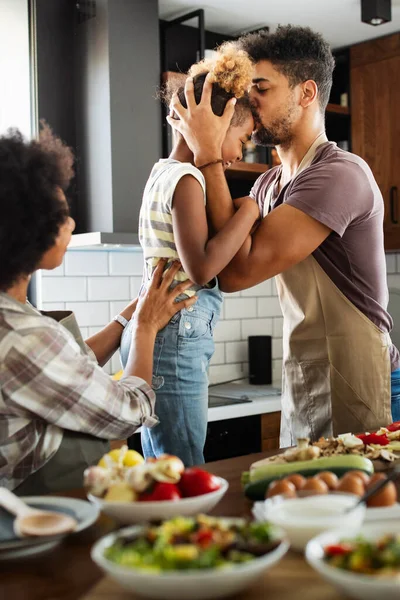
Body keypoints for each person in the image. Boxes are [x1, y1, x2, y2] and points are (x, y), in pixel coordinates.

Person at [168, 25, 399, 447]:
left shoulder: (338, 174)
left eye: (261, 88)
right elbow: (219, 261)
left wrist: (206, 155)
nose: (246, 101)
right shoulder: (268, 184)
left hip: (367, 379)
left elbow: (239, 272)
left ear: (306, 93)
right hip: (305, 375)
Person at [0, 124, 196, 495]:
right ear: (26, 227)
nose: (71, 222)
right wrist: (145, 329)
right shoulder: (25, 337)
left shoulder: (14, 315)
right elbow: (128, 411)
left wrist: (134, 311)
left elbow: (69, 368)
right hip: (36, 524)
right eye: (60, 214)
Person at [120, 44, 259, 466]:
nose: (244, 151)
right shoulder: (186, 180)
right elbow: (200, 267)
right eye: (244, 137)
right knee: (181, 467)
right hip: (176, 331)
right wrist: (249, 210)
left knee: (162, 466)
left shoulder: (163, 171)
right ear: (215, 128)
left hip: (162, 333)